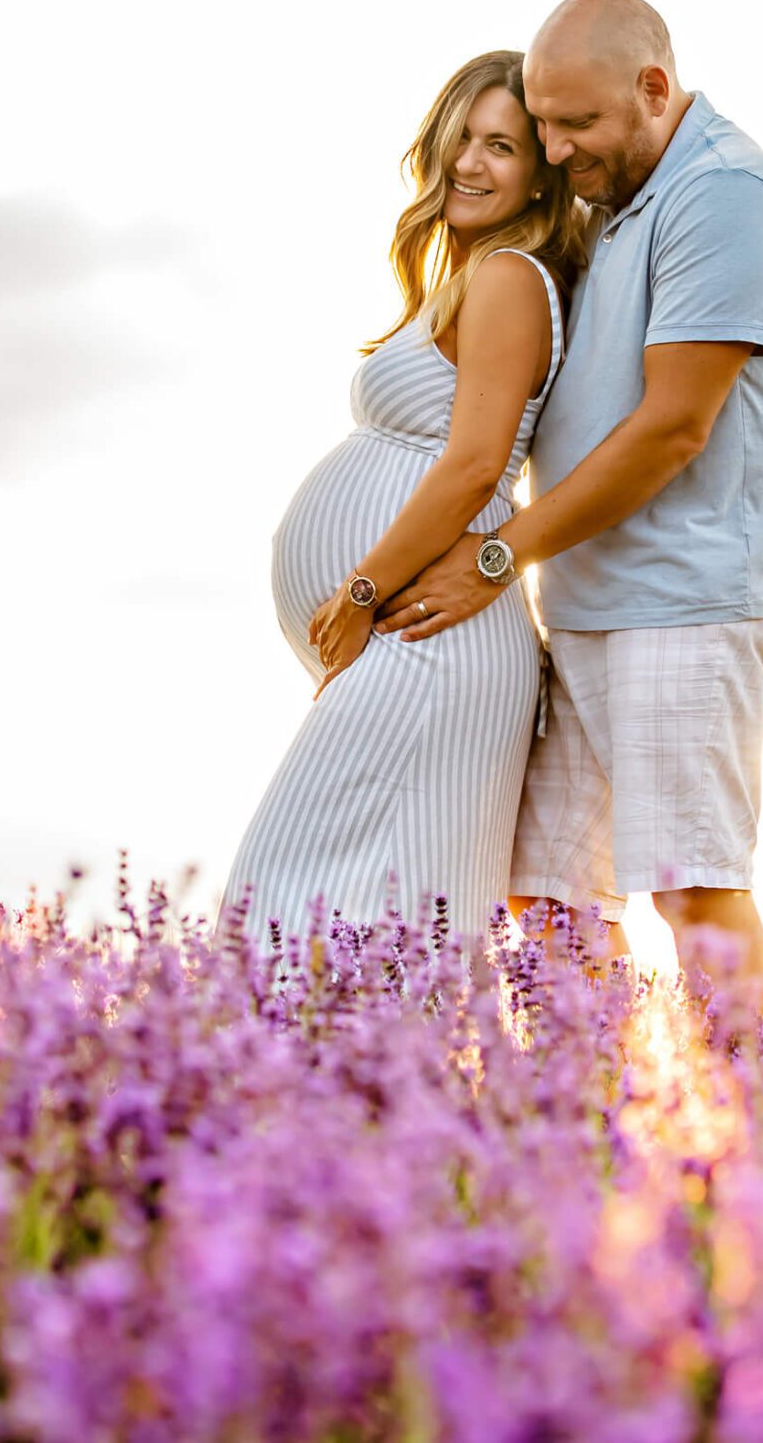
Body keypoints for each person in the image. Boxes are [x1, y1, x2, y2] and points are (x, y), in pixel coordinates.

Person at [373, 0, 763, 1026]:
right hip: (591, 603)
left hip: (692, 599)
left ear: (655, 88)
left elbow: (673, 427)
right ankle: (579, 1134)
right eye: (544, 123)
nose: (557, 148)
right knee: (549, 890)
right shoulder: (617, 202)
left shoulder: (725, 198)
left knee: (693, 886)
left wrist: (493, 557)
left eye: (577, 124)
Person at [218, 49, 593, 946]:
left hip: (428, 639)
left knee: (288, 895)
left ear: (542, 175)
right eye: (461, 136)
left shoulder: (508, 278)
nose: (469, 163)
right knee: (381, 915)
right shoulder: (469, 280)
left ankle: (272, 1083)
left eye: (501, 145)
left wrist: (357, 594)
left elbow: (472, 467)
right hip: (418, 643)